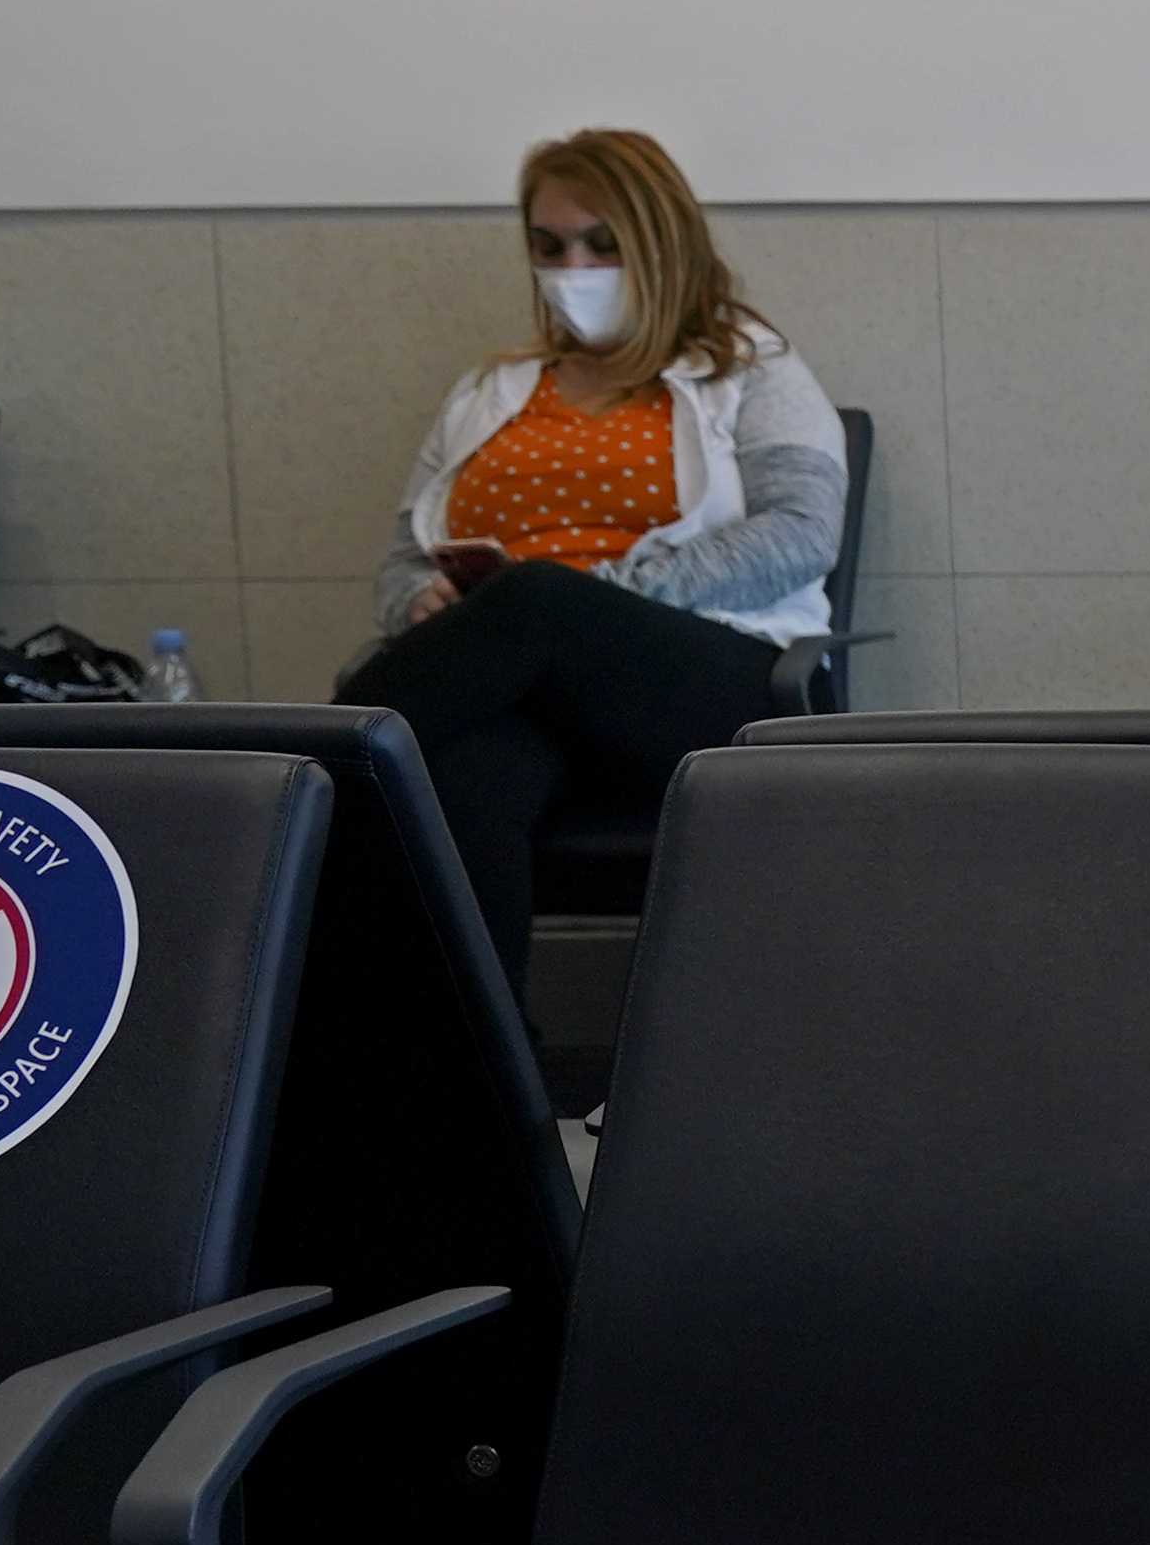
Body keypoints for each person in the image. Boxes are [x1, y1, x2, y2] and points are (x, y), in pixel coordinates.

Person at [334, 128, 845, 972]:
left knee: (536, 599)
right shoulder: (490, 391)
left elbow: (801, 531)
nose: (573, 266)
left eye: (602, 243)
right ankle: (490, 1087)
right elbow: (403, 558)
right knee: (463, 782)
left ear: (662, 240)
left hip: (709, 678)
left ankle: (304, 779)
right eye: (550, 245)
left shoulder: (750, 366)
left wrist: (602, 594)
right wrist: (419, 600)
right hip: (527, 692)